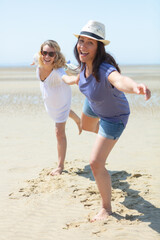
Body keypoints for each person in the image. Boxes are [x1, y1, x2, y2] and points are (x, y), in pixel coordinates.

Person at [62, 20, 151, 222]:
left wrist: (136, 87)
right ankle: (103, 135)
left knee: (95, 163)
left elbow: (119, 80)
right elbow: (74, 79)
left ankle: (106, 208)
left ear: (98, 47)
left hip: (114, 116)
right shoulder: (83, 66)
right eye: (81, 41)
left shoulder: (105, 69)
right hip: (94, 104)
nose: (82, 46)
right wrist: (60, 77)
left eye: (89, 43)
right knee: (85, 126)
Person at [32, 40, 82, 176]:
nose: (47, 56)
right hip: (51, 101)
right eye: (44, 53)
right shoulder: (39, 59)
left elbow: (66, 79)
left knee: (59, 132)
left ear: (56, 55)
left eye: (51, 54)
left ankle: (60, 166)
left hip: (61, 95)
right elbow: (35, 57)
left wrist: (77, 79)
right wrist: (34, 60)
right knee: (61, 112)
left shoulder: (59, 70)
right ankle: (78, 120)